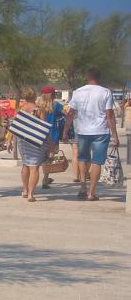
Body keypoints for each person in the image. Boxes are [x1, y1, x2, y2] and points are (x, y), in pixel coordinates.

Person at [64, 67, 120, 201]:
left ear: (87, 77)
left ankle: (83, 187)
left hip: (82, 131)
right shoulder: (106, 92)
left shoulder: (78, 92)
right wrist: (115, 135)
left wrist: (65, 131)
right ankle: (91, 193)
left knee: (83, 159)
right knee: (97, 162)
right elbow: (109, 116)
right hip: (101, 131)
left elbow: (70, 114)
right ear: (99, 78)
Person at [14, 88, 48, 202]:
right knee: (34, 167)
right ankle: (31, 194)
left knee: (25, 164)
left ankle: (25, 190)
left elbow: (15, 126)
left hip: (22, 140)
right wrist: (50, 143)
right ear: (34, 96)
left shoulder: (20, 109)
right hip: (36, 140)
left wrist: (10, 141)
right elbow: (44, 128)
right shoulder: (39, 110)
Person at [40, 86, 65, 189]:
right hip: (53, 134)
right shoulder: (56, 105)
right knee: (49, 157)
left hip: (41, 134)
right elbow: (66, 113)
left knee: (43, 157)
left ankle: (45, 177)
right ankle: (45, 179)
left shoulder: (39, 106)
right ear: (53, 95)